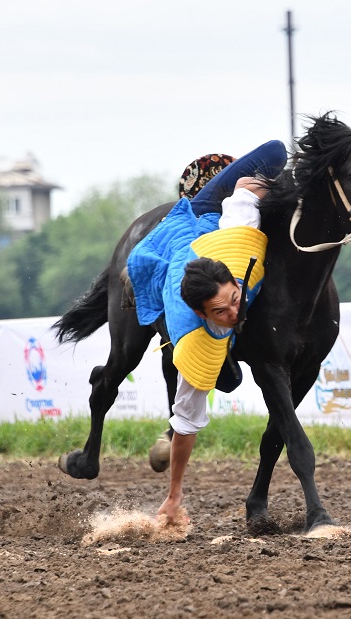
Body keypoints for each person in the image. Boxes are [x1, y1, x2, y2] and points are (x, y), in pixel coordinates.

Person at [127, 140, 287, 524]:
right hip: (183, 235)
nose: (236, 312)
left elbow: (247, 187)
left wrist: (278, 194)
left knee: (278, 153)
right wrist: (174, 495)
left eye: (235, 299)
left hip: (209, 211)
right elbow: (184, 424)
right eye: (221, 311)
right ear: (200, 313)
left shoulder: (239, 243)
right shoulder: (195, 340)